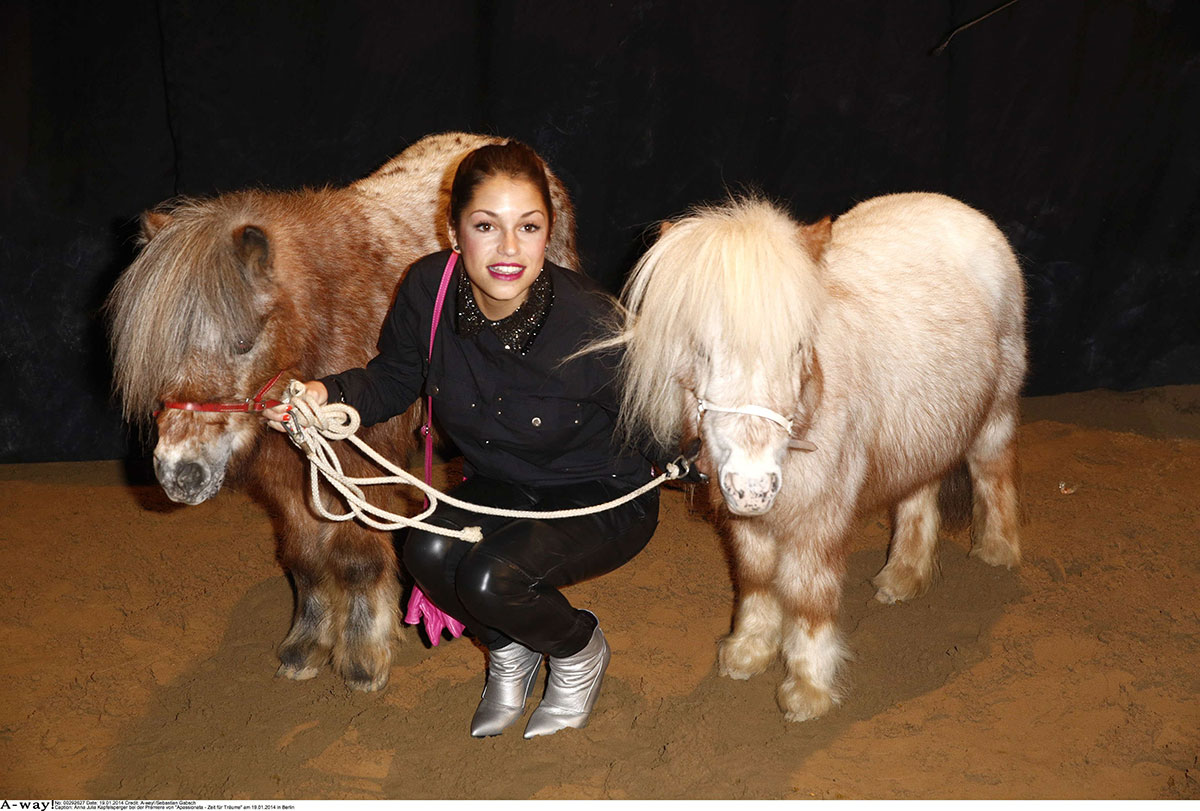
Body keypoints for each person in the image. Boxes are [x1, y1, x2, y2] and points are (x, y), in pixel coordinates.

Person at [264, 141, 661, 739]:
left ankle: (578, 650)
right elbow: (395, 378)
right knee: (425, 553)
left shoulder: (591, 320)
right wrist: (322, 395)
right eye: (486, 226)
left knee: (488, 579)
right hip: (502, 486)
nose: (508, 249)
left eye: (528, 227)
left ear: (547, 234)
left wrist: (705, 453)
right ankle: (511, 650)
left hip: (601, 494)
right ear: (454, 233)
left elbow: (655, 420)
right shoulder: (428, 290)